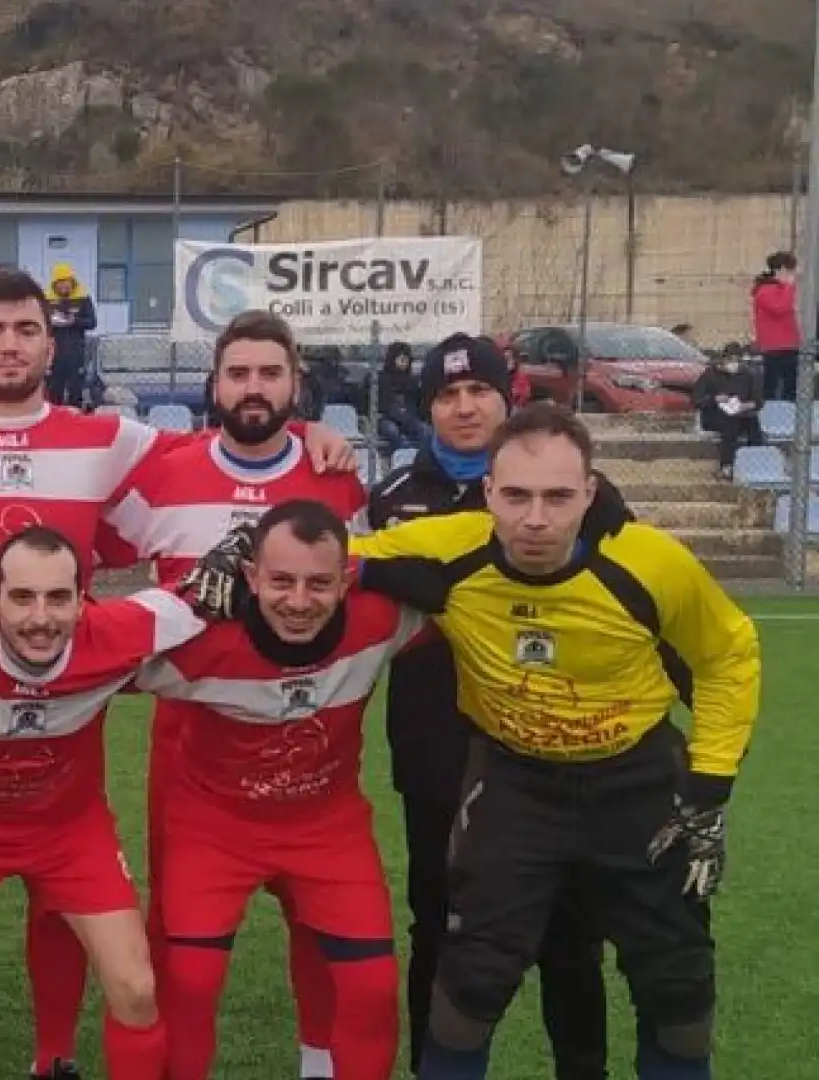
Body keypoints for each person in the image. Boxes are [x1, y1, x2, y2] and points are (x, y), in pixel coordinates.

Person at [0, 268, 357, 1080]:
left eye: (26, 329)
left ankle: (55, 1058)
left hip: (69, 691)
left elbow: (235, 449)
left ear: (51, 339)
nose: (10, 345)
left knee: (62, 901)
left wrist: (308, 444)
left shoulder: (109, 437)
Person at [197, 403, 759, 1080]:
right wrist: (242, 549)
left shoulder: (652, 563)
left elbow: (729, 657)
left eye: (557, 497)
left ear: (590, 491)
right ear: (489, 492)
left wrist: (710, 786)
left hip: (636, 783)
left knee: (677, 985)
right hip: (514, 786)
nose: (535, 519)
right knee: (471, 978)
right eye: (516, 495)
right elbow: (325, 555)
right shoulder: (447, 547)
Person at [101, 308, 368, 1080]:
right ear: (213, 385)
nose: (254, 389)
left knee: (321, 924)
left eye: (270, 373)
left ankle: (318, 1063)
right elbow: (87, 547)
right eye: (239, 373)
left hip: (311, 736)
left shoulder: (335, 473)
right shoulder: (167, 472)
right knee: (182, 944)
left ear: (296, 384)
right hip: (191, 748)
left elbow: (361, 587)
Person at [0, 525, 212, 1080]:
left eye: (58, 598)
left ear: (84, 601)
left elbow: (217, 591)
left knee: (136, 985)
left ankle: (55, 1062)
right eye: (22, 597)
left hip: (68, 834)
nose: (40, 617)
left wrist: (240, 551)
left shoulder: (121, 631)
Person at [365, 335, 613, 1080]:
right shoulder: (393, 499)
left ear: (509, 399)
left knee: (571, 932)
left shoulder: (569, 493)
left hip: (556, 746)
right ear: (429, 407)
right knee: (439, 924)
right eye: (447, 395)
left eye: (479, 391)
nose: (465, 406)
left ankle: (583, 1068)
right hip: (437, 747)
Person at [140, 500, 440, 1080]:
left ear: (348, 577)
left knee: (372, 987)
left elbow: (477, 588)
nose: (299, 602)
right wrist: (183, 600)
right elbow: (91, 649)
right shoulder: (200, 644)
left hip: (327, 830)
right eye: (280, 581)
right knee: (190, 983)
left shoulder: (380, 620)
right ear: (250, 577)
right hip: (215, 832)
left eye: (319, 583)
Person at [691, 349, 764, 480]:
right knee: (730, 425)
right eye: (730, 361)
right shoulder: (709, 376)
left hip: (741, 414)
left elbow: (758, 402)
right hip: (714, 416)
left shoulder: (746, 375)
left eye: (737, 361)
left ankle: (756, 464)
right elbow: (696, 400)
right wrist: (714, 399)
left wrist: (745, 405)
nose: (734, 364)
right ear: (722, 361)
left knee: (753, 424)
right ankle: (727, 466)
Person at [45, 264, 97, 408]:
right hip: (54, 353)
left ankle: (76, 420)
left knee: (75, 389)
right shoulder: (47, 300)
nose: (63, 286)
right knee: (54, 390)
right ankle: (54, 422)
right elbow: (39, 323)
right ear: (55, 284)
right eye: (60, 283)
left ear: (72, 282)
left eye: (66, 282)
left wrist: (74, 321)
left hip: (76, 352)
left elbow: (92, 322)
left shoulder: (83, 299)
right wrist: (51, 322)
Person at [750, 251, 799, 401]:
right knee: (774, 386)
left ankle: (789, 416)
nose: (792, 275)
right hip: (774, 347)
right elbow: (779, 309)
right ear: (781, 269)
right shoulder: (765, 291)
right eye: (790, 270)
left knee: (790, 386)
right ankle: (771, 417)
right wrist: (789, 288)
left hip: (789, 345)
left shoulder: (781, 289)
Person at [374, 342, 426, 451]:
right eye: (401, 359)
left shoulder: (413, 381)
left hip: (409, 419)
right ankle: (403, 456)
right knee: (391, 430)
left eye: (406, 359)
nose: (404, 362)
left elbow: (418, 404)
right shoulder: (381, 379)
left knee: (425, 431)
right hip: (386, 418)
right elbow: (382, 404)